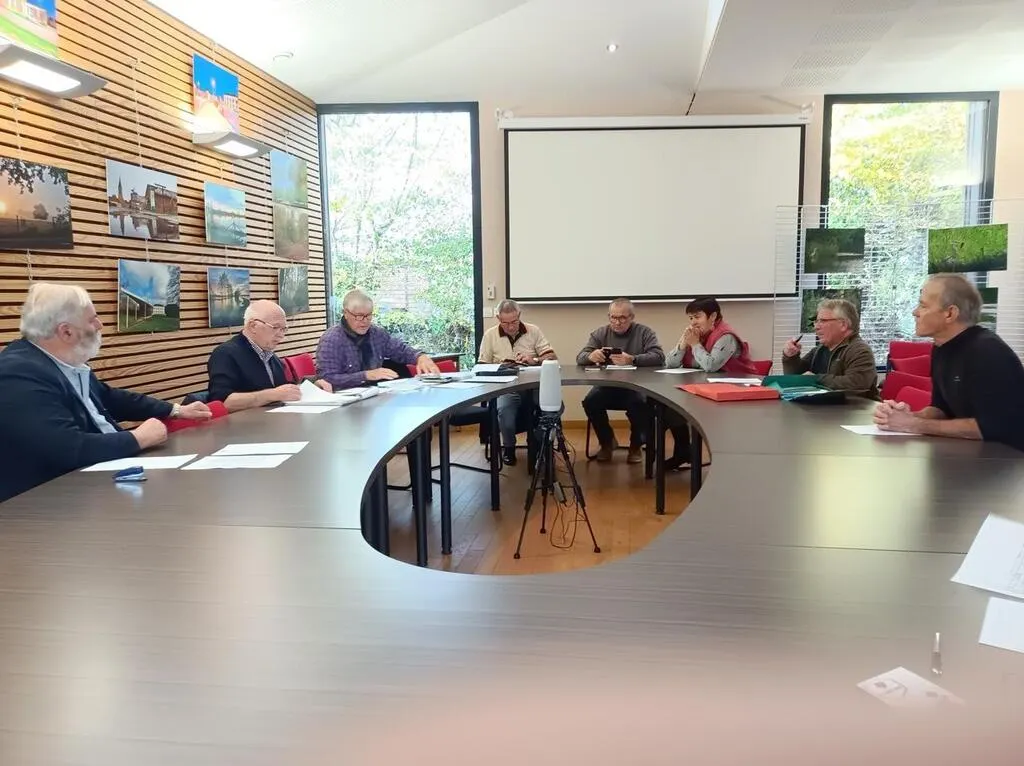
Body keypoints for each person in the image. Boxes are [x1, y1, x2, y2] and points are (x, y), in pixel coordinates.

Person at [0, 283, 212, 503]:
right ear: (66, 331)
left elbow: (109, 398)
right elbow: (67, 448)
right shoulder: (18, 373)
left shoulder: (64, 362)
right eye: (92, 319)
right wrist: (137, 438)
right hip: (54, 502)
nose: (100, 325)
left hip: (105, 481)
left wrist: (175, 410)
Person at [874, 274, 1024, 451]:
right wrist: (907, 417)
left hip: (1006, 460)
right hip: (968, 455)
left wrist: (913, 424)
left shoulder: (987, 351)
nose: (915, 312)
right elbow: (941, 409)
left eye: (923, 306)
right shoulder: (941, 347)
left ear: (950, 313)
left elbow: (989, 426)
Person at [662, 296, 758, 469]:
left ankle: (724, 462)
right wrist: (683, 344)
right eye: (691, 318)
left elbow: (711, 366)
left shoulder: (726, 336)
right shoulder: (695, 334)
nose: (693, 322)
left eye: (697, 317)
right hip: (705, 386)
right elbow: (670, 363)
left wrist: (695, 344)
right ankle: (683, 451)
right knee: (670, 406)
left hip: (736, 390)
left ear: (713, 316)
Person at [576, 298, 665, 463]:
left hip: (636, 387)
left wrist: (632, 359)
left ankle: (636, 445)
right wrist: (590, 356)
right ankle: (607, 442)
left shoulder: (644, 332)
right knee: (590, 402)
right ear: (609, 317)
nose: (617, 322)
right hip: (607, 386)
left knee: (640, 404)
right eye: (613, 317)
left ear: (631, 317)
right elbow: (580, 358)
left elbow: (659, 357)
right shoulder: (600, 333)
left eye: (622, 318)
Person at [207, 300, 331, 411]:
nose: (281, 335)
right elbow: (223, 402)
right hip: (244, 426)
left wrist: (311, 387)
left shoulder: (269, 355)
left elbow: (282, 388)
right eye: (275, 327)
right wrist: (271, 394)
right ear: (253, 326)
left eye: (283, 329)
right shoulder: (225, 354)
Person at [478, 299, 556, 466]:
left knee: (554, 407)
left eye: (514, 322)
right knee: (504, 410)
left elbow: (551, 356)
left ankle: (539, 445)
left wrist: (534, 359)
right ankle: (509, 447)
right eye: (505, 323)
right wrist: (501, 367)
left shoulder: (533, 330)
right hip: (506, 388)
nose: (511, 327)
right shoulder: (490, 335)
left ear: (519, 315)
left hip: (534, 387)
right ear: (498, 318)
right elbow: (482, 366)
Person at [316, 288, 440, 389]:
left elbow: (399, 349)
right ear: (346, 313)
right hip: (345, 401)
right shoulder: (331, 339)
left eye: (368, 315)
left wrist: (420, 357)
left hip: (376, 394)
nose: (364, 321)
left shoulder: (376, 333)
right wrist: (366, 375)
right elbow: (327, 379)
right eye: (359, 316)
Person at [782, 298, 878, 398]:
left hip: (856, 407)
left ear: (843, 325)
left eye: (823, 321)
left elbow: (857, 384)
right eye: (816, 321)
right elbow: (794, 379)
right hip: (824, 406)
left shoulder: (859, 350)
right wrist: (790, 357)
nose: (816, 327)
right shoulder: (820, 350)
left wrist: (816, 379)